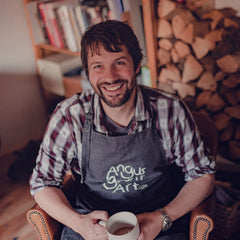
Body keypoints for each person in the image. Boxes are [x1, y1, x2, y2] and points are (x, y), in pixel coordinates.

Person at [30, 20, 216, 240]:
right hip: (92, 227)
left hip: (157, 224)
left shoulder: (170, 109)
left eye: (119, 62)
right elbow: (42, 183)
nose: (110, 76)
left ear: (136, 65)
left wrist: (161, 218)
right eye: (98, 65)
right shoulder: (69, 116)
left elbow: (202, 175)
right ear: (88, 72)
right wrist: (79, 224)